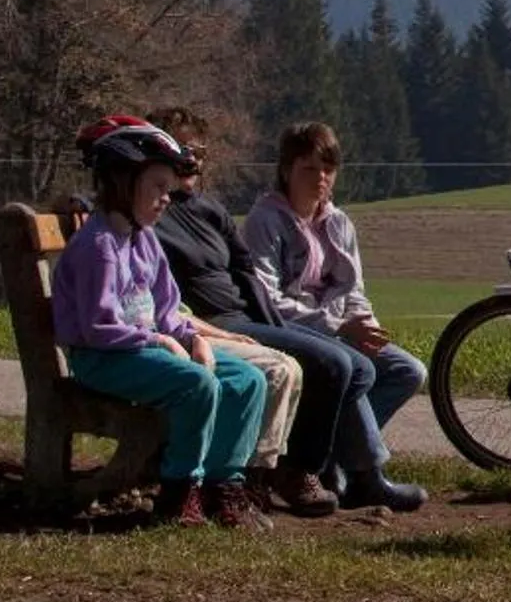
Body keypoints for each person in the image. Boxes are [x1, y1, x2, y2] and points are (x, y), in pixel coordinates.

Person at [145, 107, 374, 519]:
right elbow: (105, 207)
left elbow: (244, 268)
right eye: (182, 150)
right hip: (211, 321)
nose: (193, 160)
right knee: (333, 363)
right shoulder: (154, 210)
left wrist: (272, 320)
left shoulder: (208, 209)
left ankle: (337, 467)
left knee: (359, 366)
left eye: (199, 151)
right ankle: (296, 472)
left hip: (248, 316)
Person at [54, 115, 273, 530]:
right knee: (196, 384)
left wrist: (191, 339)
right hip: (103, 358)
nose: (166, 198)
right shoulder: (99, 246)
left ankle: (223, 484)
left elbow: (168, 311)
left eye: (168, 189)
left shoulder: (145, 240)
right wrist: (158, 342)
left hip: (144, 352)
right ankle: (178, 494)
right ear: (122, 182)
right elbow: (97, 326)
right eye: (157, 187)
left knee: (248, 380)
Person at [244, 122, 428, 513]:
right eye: (309, 169)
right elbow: (268, 300)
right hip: (293, 329)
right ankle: (369, 476)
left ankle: (335, 461)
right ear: (287, 171)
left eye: (328, 168)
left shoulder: (339, 223)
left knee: (408, 371)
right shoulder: (265, 222)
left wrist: (365, 324)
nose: (321, 178)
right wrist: (339, 327)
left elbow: (353, 289)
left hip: (341, 327)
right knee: (351, 366)